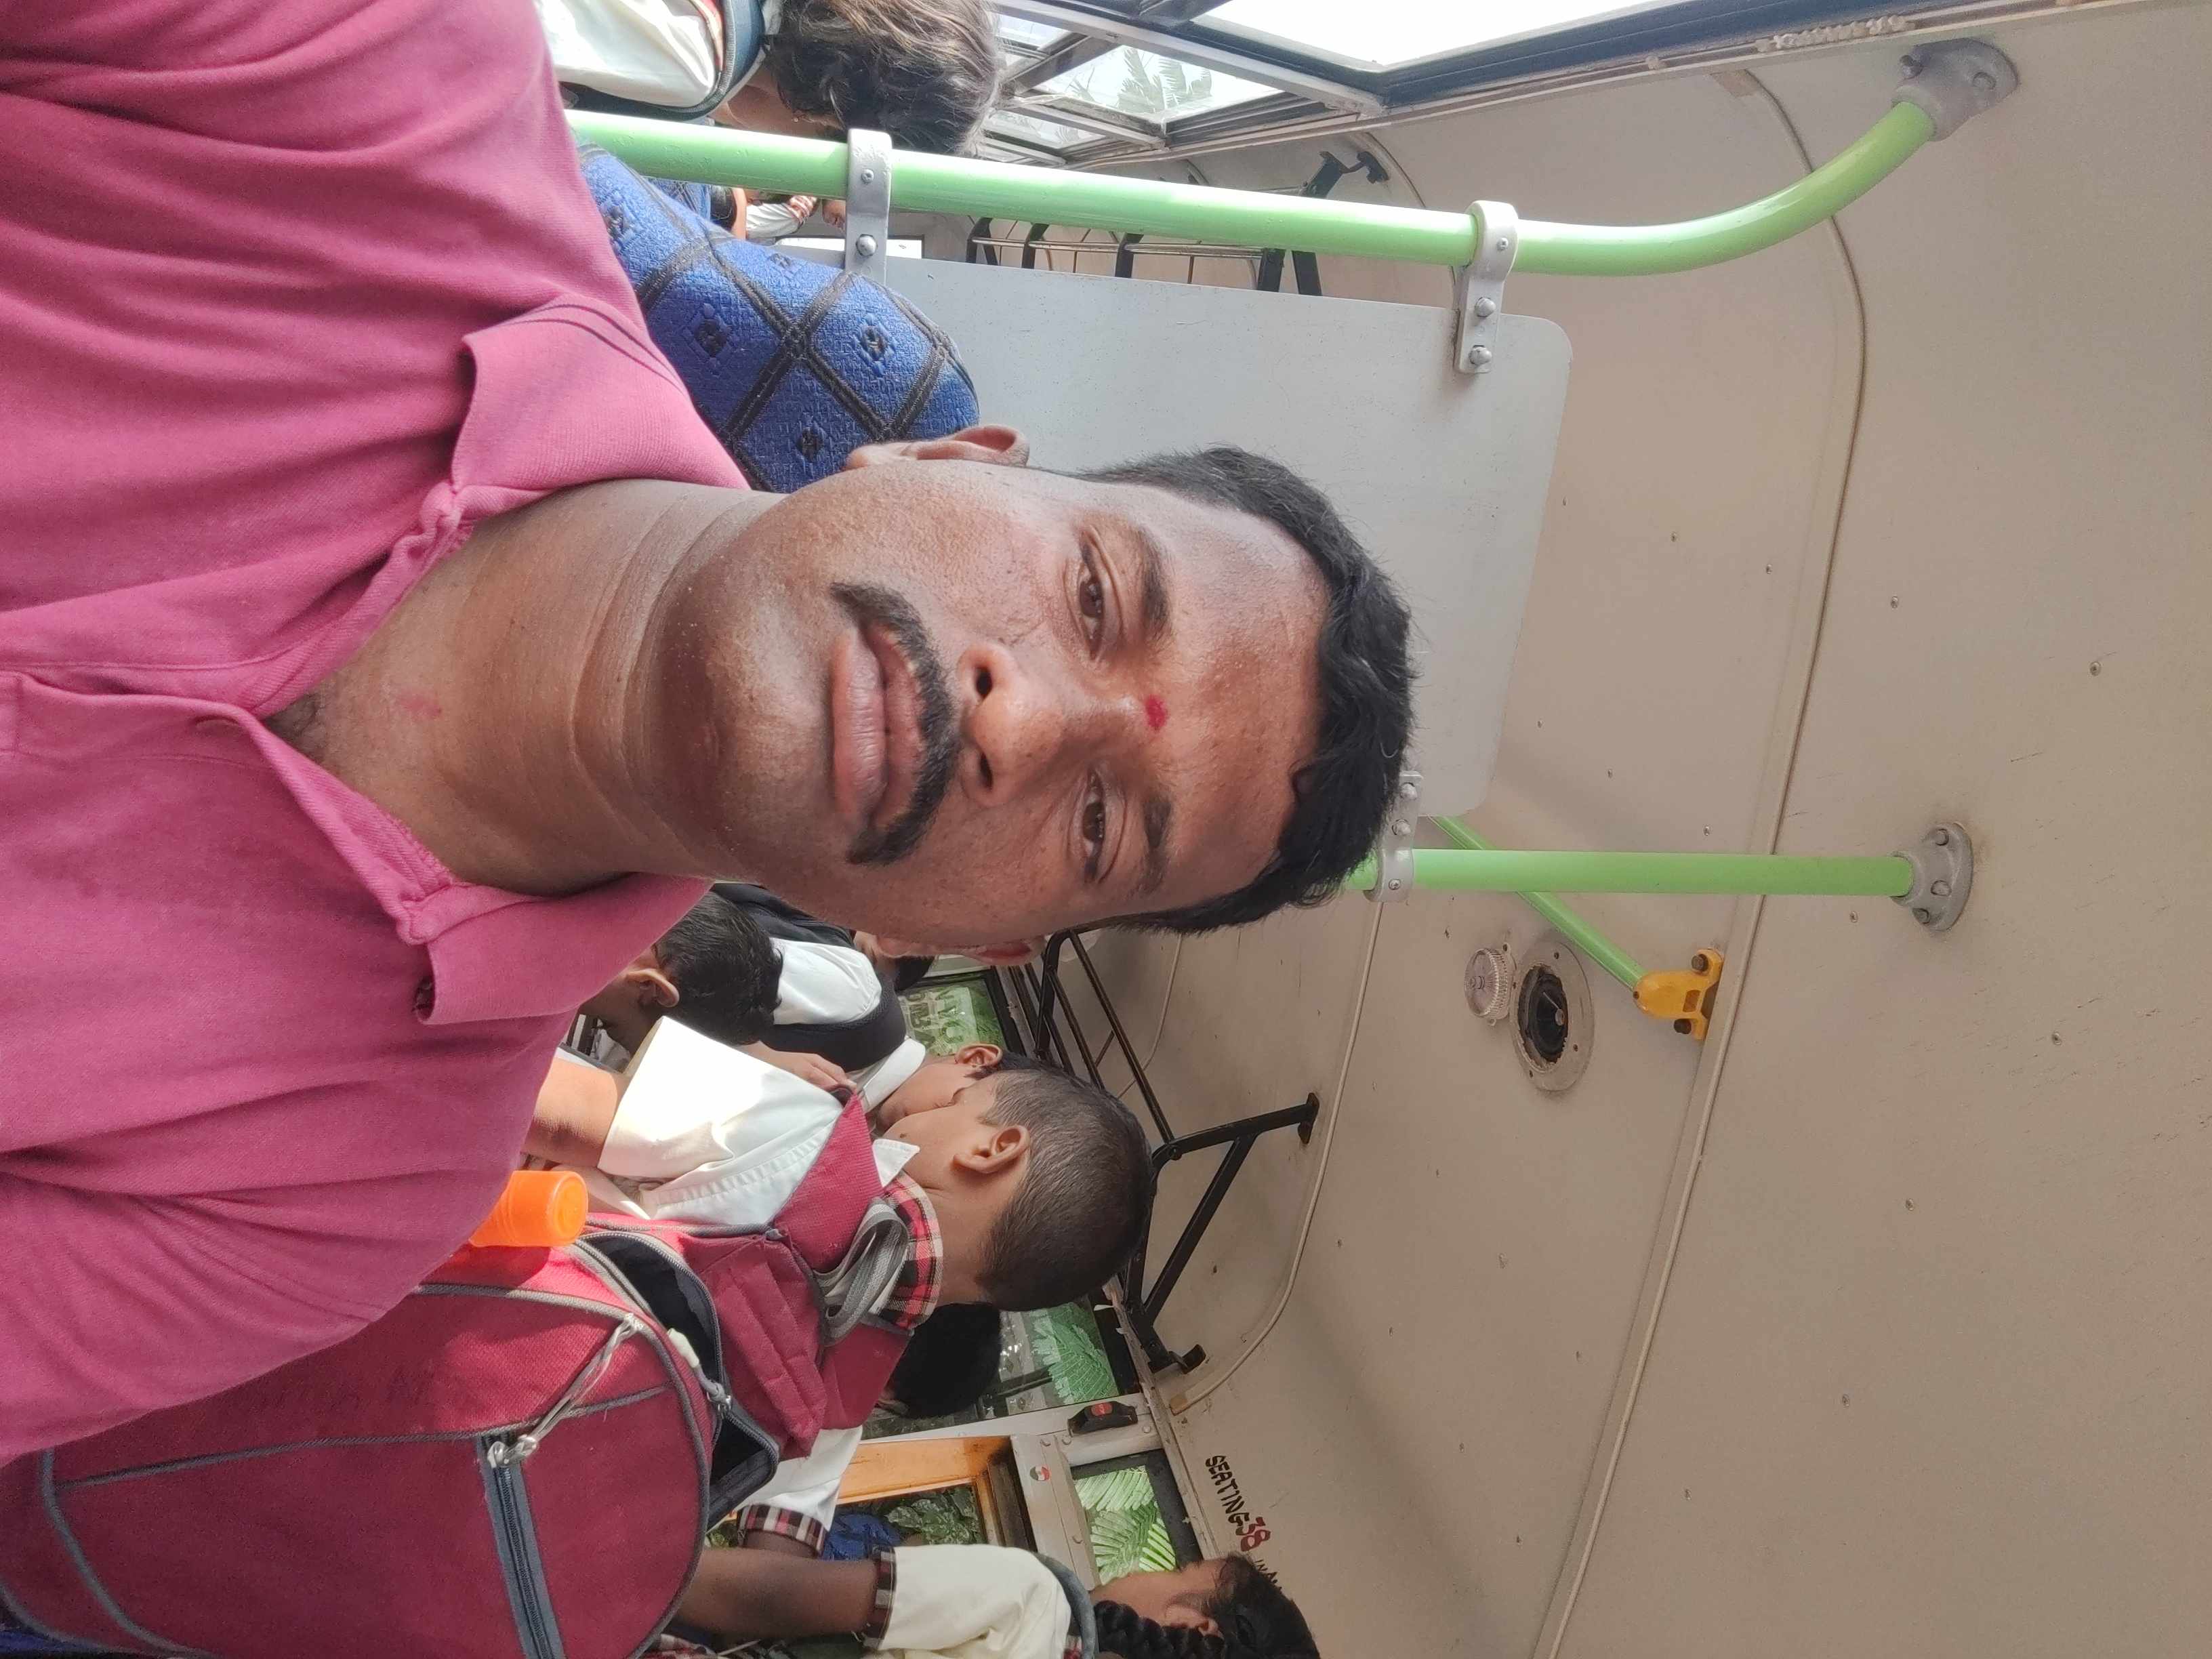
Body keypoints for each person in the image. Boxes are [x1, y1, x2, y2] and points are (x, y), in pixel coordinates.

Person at [0, 0, 1414, 1458]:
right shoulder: (376, 88)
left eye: (1102, 824)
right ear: (942, 452)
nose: (1032, 718)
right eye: (1095, 592)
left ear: (984, 941)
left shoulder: (337, 1199)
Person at [667, 1548, 1316, 1658]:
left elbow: (772, 1597)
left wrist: (637, 1565)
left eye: (1175, 1569)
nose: (1138, 1569)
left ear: (1191, 1622)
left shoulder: (1031, 1600)